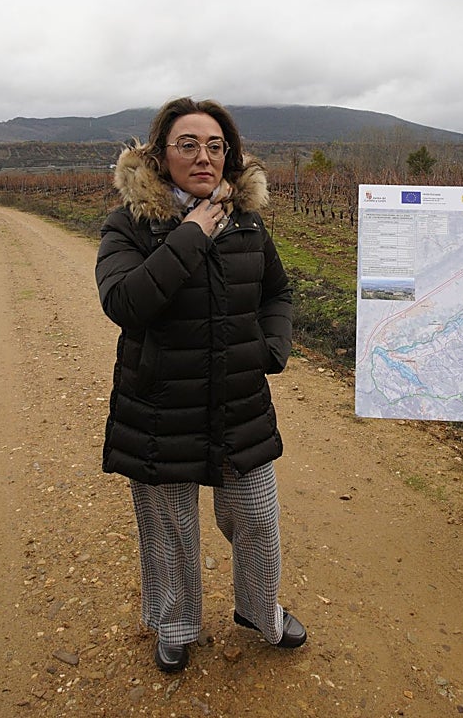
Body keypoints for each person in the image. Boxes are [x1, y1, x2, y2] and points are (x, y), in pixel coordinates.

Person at [95, 97, 306, 673]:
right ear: (161, 156)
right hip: (161, 410)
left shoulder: (247, 225)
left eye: (216, 146)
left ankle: (261, 611)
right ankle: (176, 623)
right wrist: (189, 233)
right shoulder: (130, 226)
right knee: (171, 530)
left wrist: (272, 348)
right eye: (188, 144)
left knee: (258, 519)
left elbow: (277, 293)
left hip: (239, 403)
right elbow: (125, 303)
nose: (204, 156)